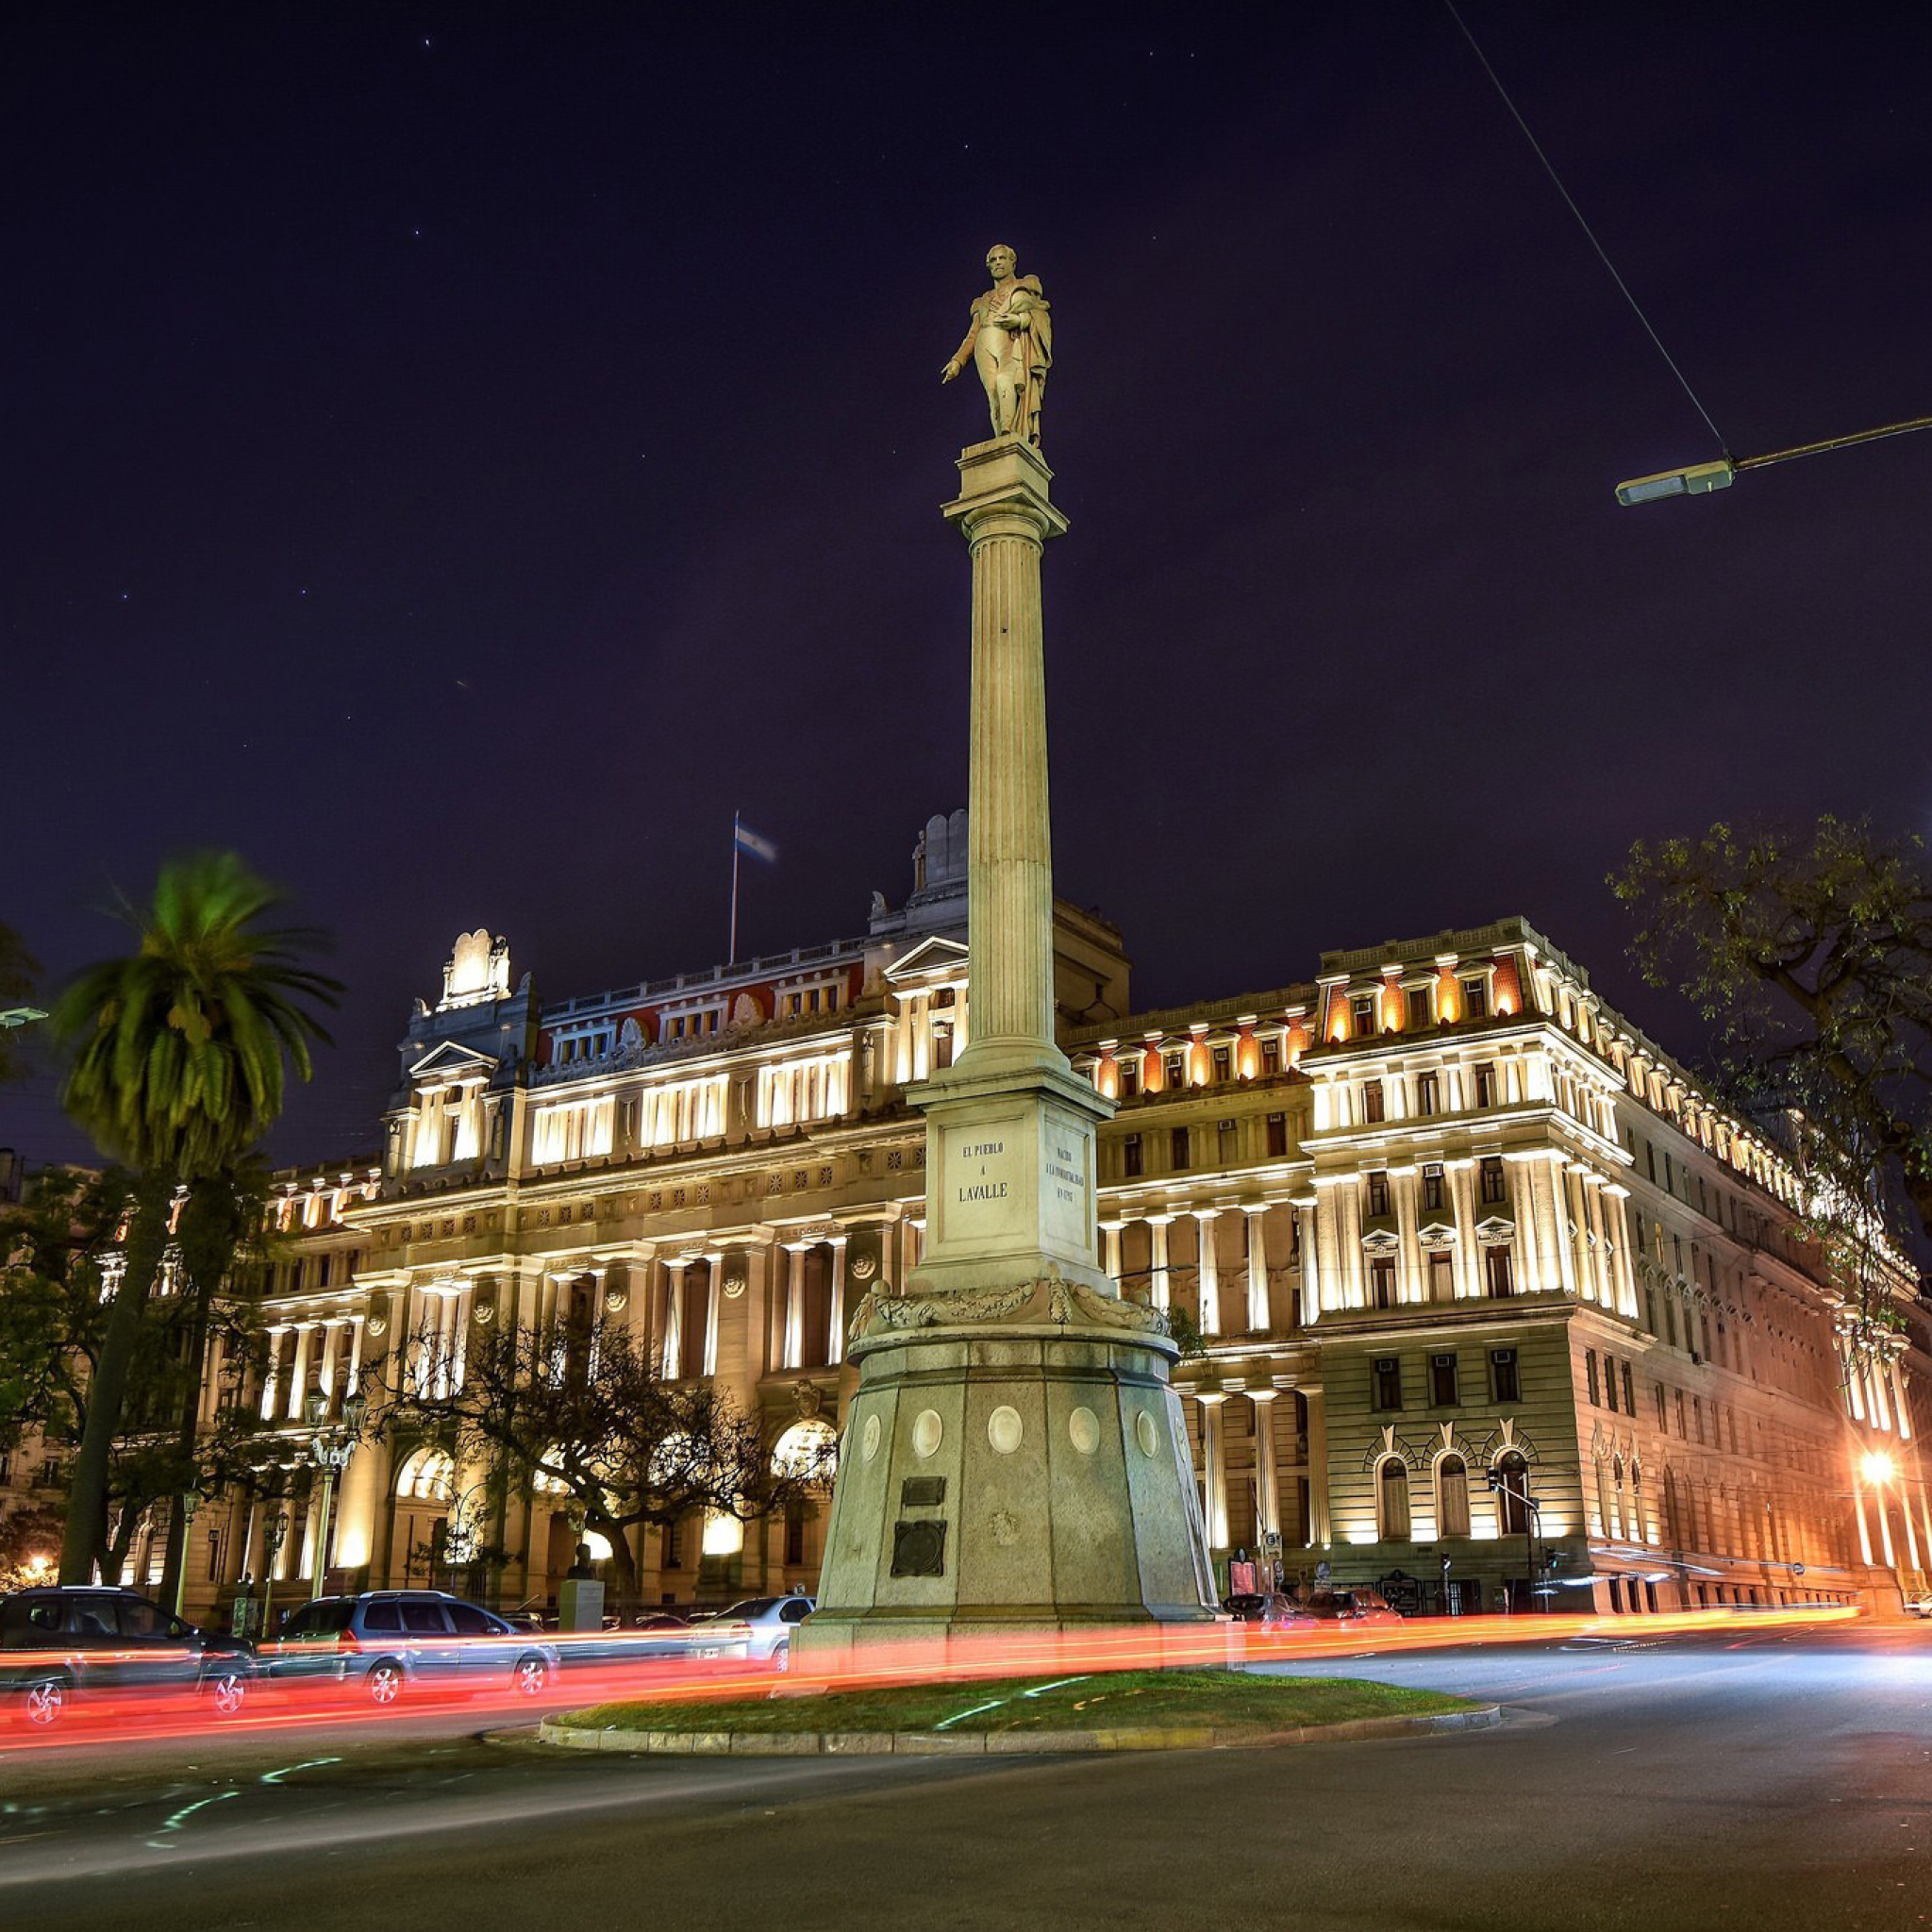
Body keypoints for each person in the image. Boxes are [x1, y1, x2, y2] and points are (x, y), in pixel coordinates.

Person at [941, 243, 1052, 445]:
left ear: (1012, 263)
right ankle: (1001, 438)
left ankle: (1009, 434)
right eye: (993, 260)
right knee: (993, 395)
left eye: (1002, 258)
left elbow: (1040, 315)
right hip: (984, 342)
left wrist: (1020, 321)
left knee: (1005, 379)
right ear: (988, 266)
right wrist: (958, 361)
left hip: (1009, 339)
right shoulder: (982, 300)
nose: (998, 263)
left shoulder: (1024, 286)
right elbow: (972, 334)